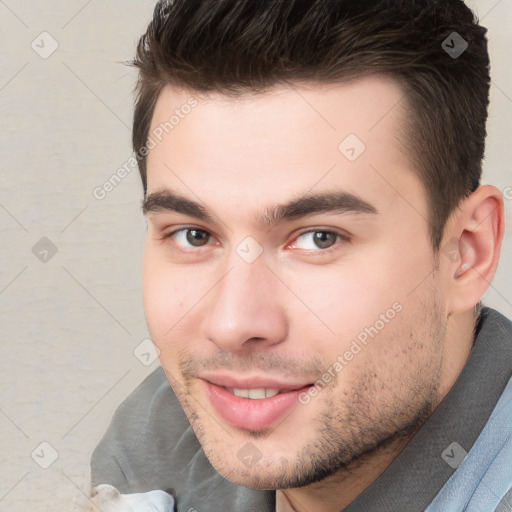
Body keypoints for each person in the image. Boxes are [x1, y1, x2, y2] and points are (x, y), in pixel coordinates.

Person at [90, 0, 512, 510]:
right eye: (194, 235)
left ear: (466, 253)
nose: (232, 324)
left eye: (318, 238)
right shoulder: (156, 448)